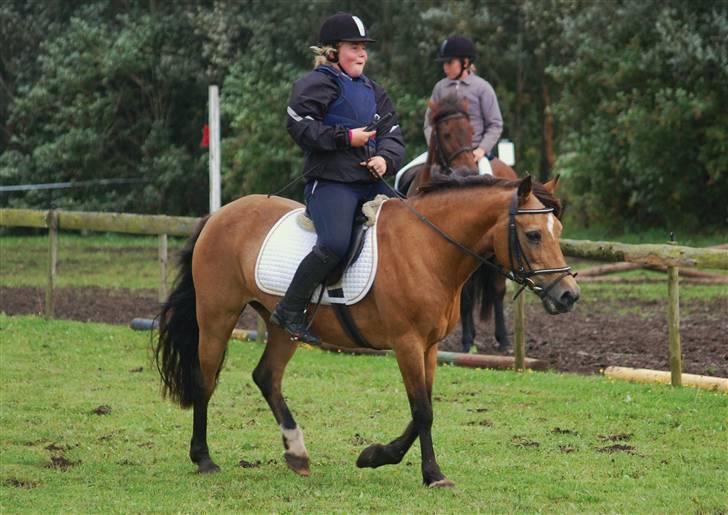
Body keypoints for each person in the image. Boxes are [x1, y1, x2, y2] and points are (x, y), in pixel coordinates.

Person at [271, 12, 405, 345]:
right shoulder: (317, 83)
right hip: (331, 183)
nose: (362, 54)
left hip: (370, 182)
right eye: (354, 47)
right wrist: (346, 138)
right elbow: (300, 126)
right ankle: (290, 308)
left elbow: (393, 134)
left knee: (410, 226)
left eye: (364, 48)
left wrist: (384, 159)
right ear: (333, 51)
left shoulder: (375, 90)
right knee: (333, 244)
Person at [424, 35, 503, 175]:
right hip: (442, 154)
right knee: (403, 175)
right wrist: (434, 149)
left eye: (449, 62)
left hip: (474, 153)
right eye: (444, 63)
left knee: (488, 179)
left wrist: (482, 149)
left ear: (465, 63)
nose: (445, 67)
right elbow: (428, 124)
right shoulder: (440, 88)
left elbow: (495, 124)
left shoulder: (482, 88)